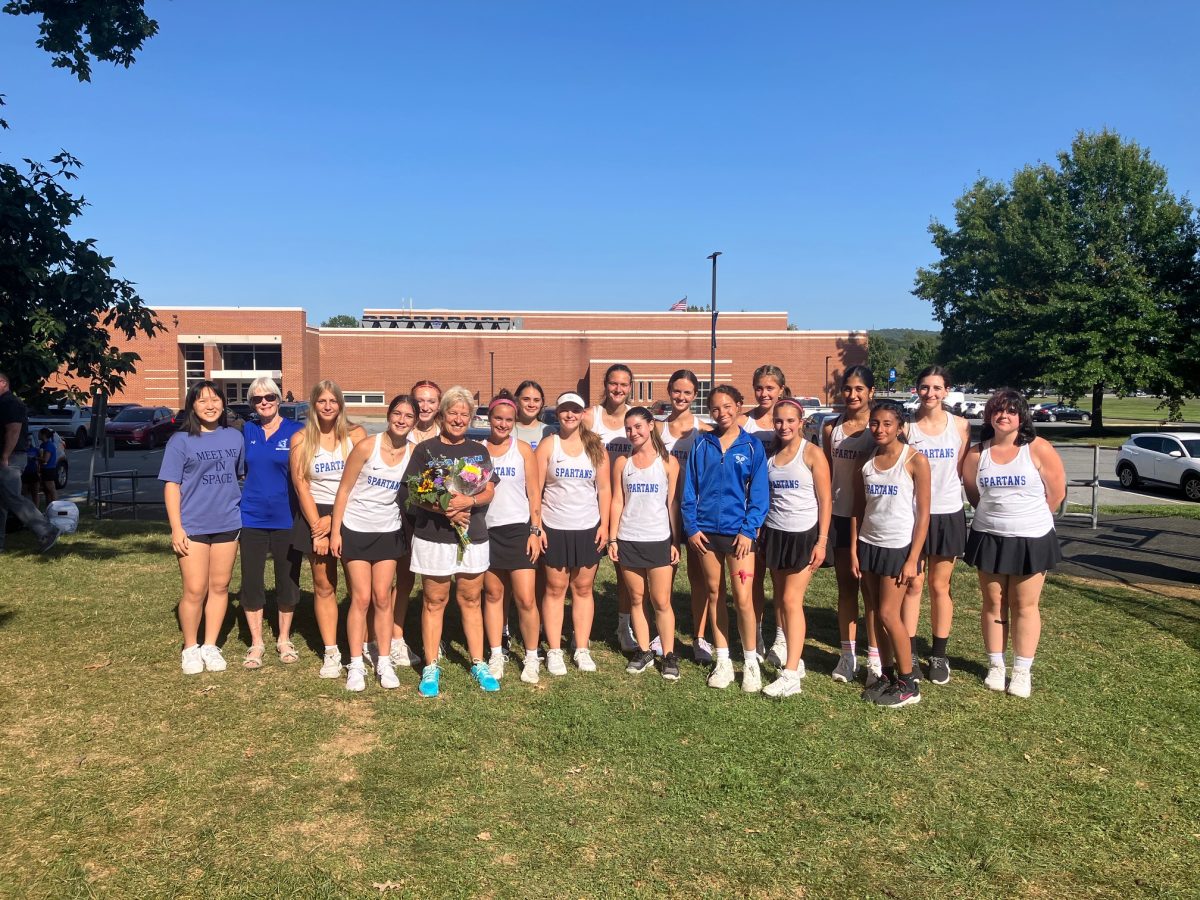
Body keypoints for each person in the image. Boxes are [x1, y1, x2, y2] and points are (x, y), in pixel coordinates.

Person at [962, 390, 1065, 698]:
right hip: (989, 536)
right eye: (997, 410)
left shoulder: (1038, 449)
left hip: (1031, 539)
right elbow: (974, 494)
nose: (1003, 416)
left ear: (1022, 417)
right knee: (993, 603)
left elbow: (1056, 494)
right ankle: (996, 665)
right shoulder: (976, 454)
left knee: (1025, 605)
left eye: (1010, 411)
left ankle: (1021, 671)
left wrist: (1027, 519)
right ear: (988, 416)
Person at [408, 386, 501, 697]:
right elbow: (415, 493)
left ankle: (478, 661)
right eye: (453, 412)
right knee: (435, 601)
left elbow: (489, 490)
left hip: (472, 536)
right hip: (434, 538)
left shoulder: (478, 451)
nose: (459, 418)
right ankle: (431, 665)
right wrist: (448, 508)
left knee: (471, 599)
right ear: (441, 414)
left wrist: (468, 504)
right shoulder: (427, 451)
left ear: (471, 417)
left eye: (465, 413)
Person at [681, 385, 769, 692]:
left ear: (740, 406)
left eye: (728, 407)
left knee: (743, 600)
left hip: (739, 536)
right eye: (716, 408)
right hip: (706, 534)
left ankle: (750, 662)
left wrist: (748, 529)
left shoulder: (752, 447)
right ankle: (722, 660)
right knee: (715, 594)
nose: (722, 413)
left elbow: (759, 494)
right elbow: (689, 489)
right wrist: (691, 528)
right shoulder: (702, 444)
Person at [330, 394, 416, 692]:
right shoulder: (367, 446)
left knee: (382, 597)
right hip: (355, 528)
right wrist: (335, 531)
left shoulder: (413, 454)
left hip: (389, 531)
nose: (401, 420)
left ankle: (383, 661)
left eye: (408, 416)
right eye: (397, 413)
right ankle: (355, 663)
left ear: (414, 421)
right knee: (361, 597)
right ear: (388, 415)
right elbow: (343, 491)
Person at [159, 380, 245, 674]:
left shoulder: (235, 438)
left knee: (220, 587)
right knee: (195, 589)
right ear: (192, 406)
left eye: (215, 400)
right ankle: (190, 648)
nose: (210, 405)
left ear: (223, 404)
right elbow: (172, 486)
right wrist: (176, 528)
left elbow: (237, 476)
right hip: (193, 525)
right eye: (202, 401)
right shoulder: (180, 441)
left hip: (228, 523)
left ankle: (210, 645)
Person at [851, 400, 931, 708]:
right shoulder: (866, 460)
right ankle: (886, 675)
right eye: (875, 423)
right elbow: (860, 510)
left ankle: (909, 682)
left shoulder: (915, 460)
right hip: (869, 544)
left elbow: (924, 515)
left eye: (887, 424)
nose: (880, 429)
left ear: (899, 426)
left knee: (888, 613)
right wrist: (857, 548)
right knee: (872, 612)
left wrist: (913, 558)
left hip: (898, 548)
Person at [289, 380, 368, 679]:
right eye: (321, 401)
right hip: (316, 518)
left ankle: (360, 647)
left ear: (340, 404)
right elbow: (301, 486)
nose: (327, 406)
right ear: (313, 404)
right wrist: (318, 529)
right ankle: (331, 651)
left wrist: (335, 518)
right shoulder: (300, 439)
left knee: (359, 588)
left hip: (350, 512)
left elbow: (362, 479)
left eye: (332, 401)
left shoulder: (356, 435)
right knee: (324, 586)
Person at [760, 398, 832, 698]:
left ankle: (790, 675)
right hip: (776, 533)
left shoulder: (812, 453)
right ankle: (796, 660)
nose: (784, 426)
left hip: (804, 535)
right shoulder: (771, 454)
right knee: (780, 600)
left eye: (790, 421)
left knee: (791, 600)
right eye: (779, 421)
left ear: (801, 421)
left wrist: (822, 541)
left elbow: (826, 500)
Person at [902, 366, 970, 684]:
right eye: (924, 387)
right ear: (917, 390)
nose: (930, 393)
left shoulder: (960, 426)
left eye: (936, 388)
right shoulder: (907, 427)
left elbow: (959, 470)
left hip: (947, 514)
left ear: (946, 391)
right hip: (913, 517)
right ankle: (910, 652)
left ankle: (939, 655)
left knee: (939, 586)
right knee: (913, 584)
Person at [537, 391, 611, 675]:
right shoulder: (548, 445)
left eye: (575, 410)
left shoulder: (595, 447)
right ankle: (554, 650)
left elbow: (604, 489)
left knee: (582, 589)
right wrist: (538, 526)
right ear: (558, 413)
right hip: (554, 527)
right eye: (565, 410)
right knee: (555, 589)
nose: (569, 415)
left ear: (582, 414)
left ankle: (581, 648)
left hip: (587, 527)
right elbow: (537, 489)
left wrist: (604, 525)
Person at [237, 378, 305, 670]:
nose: (263, 403)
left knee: (287, 580)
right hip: (251, 517)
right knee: (252, 581)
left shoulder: (296, 431)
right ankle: (257, 642)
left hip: (287, 518)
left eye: (269, 397)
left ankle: (284, 638)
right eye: (257, 399)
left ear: (279, 399)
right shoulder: (247, 431)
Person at [610, 406, 681, 681]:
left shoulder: (668, 463)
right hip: (629, 539)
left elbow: (672, 504)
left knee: (661, 600)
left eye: (638, 426)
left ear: (651, 425)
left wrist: (675, 540)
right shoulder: (622, 463)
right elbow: (618, 501)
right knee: (637, 599)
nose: (633, 433)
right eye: (628, 428)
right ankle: (643, 650)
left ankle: (669, 654)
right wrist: (613, 537)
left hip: (658, 539)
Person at [482, 392, 544, 683]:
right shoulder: (478, 450)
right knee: (494, 595)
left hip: (518, 530)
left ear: (514, 421)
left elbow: (534, 492)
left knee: (525, 598)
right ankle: (496, 653)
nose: (503, 424)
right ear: (489, 419)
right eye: (498, 418)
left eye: (508, 420)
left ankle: (531, 656)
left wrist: (535, 530)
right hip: (487, 530)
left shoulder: (521, 450)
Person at [823, 365, 878, 685]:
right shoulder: (833, 429)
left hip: (873, 520)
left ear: (870, 391)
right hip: (841, 517)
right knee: (847, 588)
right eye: (847, 389)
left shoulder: (880, 428)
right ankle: (847, 655)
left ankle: (874, 657)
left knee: (871, 593)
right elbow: (828, 476)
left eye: (859, 389)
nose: (853, 395)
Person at [659, 369, 712, 663]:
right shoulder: (656, 430)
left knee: (698, 577)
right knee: (665, 574)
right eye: (676, 391)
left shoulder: (703, 431)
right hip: (663, 512)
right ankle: (660, 633)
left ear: (695, 395)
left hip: (695, 512)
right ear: (669, 391)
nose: (681, 397)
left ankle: (699, 636)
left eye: (687, 393)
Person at [583, 364, 635, 651]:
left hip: (626, 505)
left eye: (624, 385)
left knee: (624, 571)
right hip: (591, 503)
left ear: (630, 387)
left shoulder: (636, 418)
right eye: (613, 383)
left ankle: (624, 625)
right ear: (605, 384)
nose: (618, 389)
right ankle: (577, 625)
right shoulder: (591, 417)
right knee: (583, 570)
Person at [740, 364, 787, 666]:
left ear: (781, 389)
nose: (764, 393)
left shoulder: (788, 420)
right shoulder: (745, 423)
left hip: (784, 509)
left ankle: (782, 637)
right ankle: (755, 634)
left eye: (770, 388)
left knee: (782, 579)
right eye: (759, 388)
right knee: (753, 576)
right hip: (751, 509)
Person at [0, 371, 59, 553]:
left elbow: (13, 431)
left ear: (2, 383)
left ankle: (46, 530)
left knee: (12, 497)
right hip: (9, 456)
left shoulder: (10, 403)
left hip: (11, 457)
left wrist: (4, 456)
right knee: (2, 502)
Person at [513, 380, 551, 450]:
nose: (531, 404)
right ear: (516, 401)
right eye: (526, 399)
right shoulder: (506, 430)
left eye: (536, 400)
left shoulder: (549, 432)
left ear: (542, 403)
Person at [410, 379, 442, 445]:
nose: (425, 408)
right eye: (419, 401)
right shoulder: (402, 432)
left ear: (439, 405)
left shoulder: (445, 435)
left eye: (431, 402)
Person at [35, 428, 58, 507]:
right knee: (46, 491)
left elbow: (45, 459)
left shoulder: (49, 445)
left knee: (51, 489)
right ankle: (48, 508)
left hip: (49, 469)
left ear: (43, 435)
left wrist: (35, 458)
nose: (38, 435)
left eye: (39, 433)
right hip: (44, 469)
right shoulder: (43, 445)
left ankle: (56, 508)